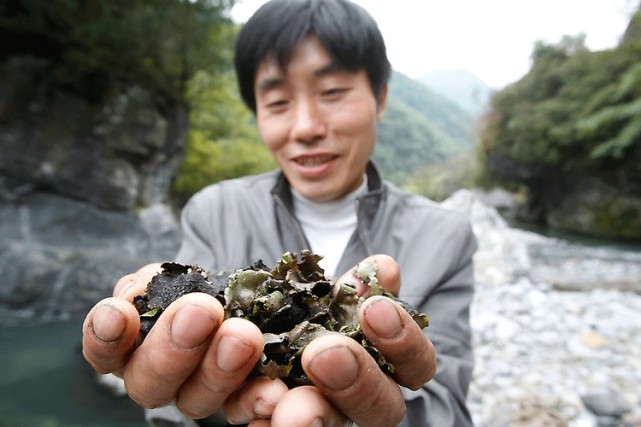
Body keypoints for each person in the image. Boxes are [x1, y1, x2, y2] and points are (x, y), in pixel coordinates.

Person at [82, 0, 478, 425]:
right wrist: (211, 406)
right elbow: (174, 402)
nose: (305, 127)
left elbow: (446, 405)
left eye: (332, 92)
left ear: (380, 98)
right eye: (276, 102)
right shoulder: (215, 210)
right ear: (256, 113)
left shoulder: (444, 235)